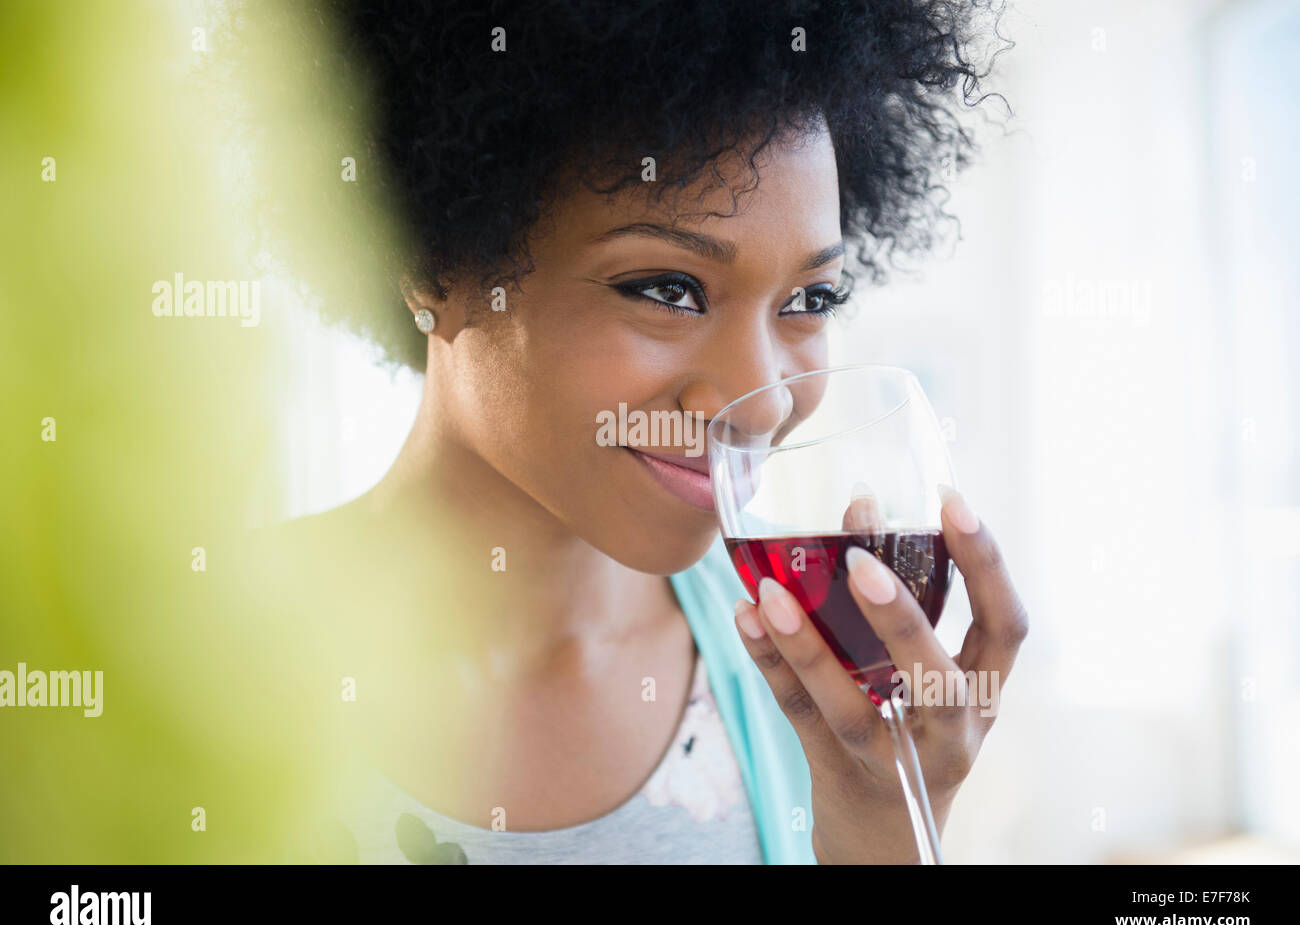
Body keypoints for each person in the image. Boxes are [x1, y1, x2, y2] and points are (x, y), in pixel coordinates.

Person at [247, 0, 1028, 864]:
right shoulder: (176, 664)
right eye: (667, 288)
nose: (763, 403)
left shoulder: (816, 677)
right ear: (432, 258)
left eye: (808, 301)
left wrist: (886, 830)